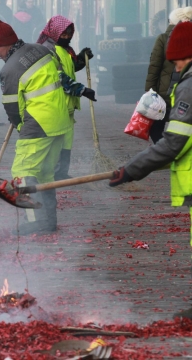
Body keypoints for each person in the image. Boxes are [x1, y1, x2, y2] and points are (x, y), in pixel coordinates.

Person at [109, 21, 192, 317]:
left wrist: (131, 169)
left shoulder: (189, 87)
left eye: (179, 60)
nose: (177, 66)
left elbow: (173, 144)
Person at [0, 19, 73, 235]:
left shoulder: (9, 69)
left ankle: (34, 220)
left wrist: (20, 127)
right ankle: (49, 222)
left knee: (22, 172)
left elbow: (12, 108)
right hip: (60, 120)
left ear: (7, 44)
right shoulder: (41, 50)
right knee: (45, 174)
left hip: (38, 125)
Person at [37, 15, 96, 180]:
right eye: (63, 34)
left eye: (69, 34)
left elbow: (69, 68)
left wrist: (82, 59)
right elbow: (58, 76)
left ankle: (61, 173)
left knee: (66, 141)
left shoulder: (65, 50)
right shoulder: (47, 50)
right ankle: (52, 173)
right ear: (54, 33)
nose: (66, 37)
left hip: (67, 106)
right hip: (54, 105)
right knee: (56, 141)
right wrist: (82, 90)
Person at [146, 7, 192, 144]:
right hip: (180, 92)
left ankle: (166, 152)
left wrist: (149, 91)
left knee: (156, 129)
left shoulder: (163, 38)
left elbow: (154, 66)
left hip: (164, 93)